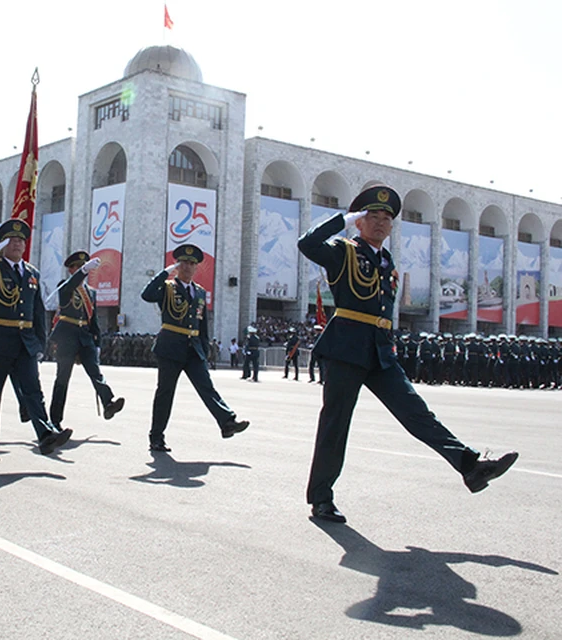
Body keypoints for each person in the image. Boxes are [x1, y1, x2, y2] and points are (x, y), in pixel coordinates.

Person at [297, 184, 517, 523]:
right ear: (360, 221)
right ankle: (321, 498)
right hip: (345, 349)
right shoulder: (343, 252)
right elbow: (307, 244)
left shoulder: (386, 261)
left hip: (380, 352)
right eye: (373, 216)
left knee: (417, 412)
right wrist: (343, 219)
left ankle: (470, 466)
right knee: (335, 424)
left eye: (387, 217)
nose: (382, 222)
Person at [0, 219, 71, 460]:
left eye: (21, 240)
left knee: (33, 390)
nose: (18, 243)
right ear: (3, 244)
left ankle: (45, 434)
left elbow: (37, 311)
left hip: (25, 341)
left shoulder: (31, 273)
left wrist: (41, 343)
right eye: (12, 240)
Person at [140, 243, 249, 452]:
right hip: (170, 347)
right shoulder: (167, 288)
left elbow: (202, 323)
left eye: (192, 263)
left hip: (193, 348)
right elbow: (147, 295)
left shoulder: (199, 292)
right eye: (184, 263)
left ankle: (227, 422)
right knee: (165, 393)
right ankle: (156, 437)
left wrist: (205, 348)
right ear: (177, 265)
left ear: (197, 267)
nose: (188, 266)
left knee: (206, 387)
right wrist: (164, 274)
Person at [48, 250, 125, 430]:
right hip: (67, 335)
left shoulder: (90, 292)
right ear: (71, 270)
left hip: (85, 336)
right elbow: (69, 287)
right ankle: (55, 420)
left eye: (85, 268)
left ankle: (108, 402)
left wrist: (97, 342)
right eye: (79, 268)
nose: (84, 271)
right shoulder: (64, 286)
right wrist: (82, 272)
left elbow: (94, 319)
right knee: (62, 379)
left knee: (95, 372)